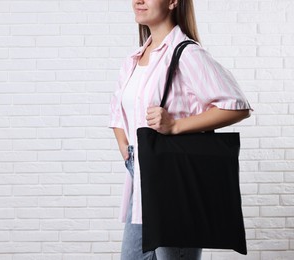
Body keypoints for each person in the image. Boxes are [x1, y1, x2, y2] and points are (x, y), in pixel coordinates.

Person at [109, 0, 252, 259]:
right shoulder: (133, 60)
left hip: (172, 180)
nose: (138, 1)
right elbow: (118, 112)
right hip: (141, 179)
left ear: (173, 2)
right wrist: (125, 147)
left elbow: (237, 106)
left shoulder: (186, 54)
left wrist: (175, 126)